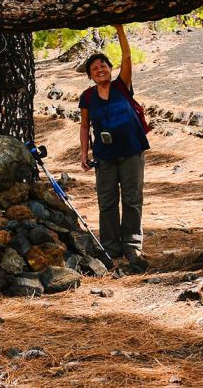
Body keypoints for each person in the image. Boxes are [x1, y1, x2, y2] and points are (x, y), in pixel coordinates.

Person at [79, 24, 149, 271]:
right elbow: (85, 125)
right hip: (105, 156)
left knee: (132, 200)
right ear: (90, 75)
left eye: (104, 66)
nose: (100, 70)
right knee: (107, 202)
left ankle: (132, 246)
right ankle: (110, 246)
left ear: (110, 69)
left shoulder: (122, 85)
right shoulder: (87, 97)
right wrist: (84, 152)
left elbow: (127, 56)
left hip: (131, 150)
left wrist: (119, 27)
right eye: (95, 68)